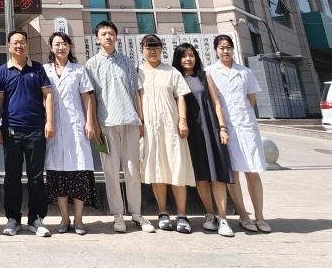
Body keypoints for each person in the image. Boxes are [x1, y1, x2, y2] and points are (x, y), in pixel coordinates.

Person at [84, 21, 155, 233]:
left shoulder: (127, 61)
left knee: (133, 171)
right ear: (97, 39)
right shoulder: (91, 64)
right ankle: (117, 215)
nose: (108, 36)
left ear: (116, 37)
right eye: (103, 33)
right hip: (105, 124)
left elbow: (136, 92)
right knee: (111, 171)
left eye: (111, 33)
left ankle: (137, 214)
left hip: (130, 121)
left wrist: (140, 120)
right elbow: (91, 98)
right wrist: (94, 124)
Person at [207, 34, 272, 233]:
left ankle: (259, 216)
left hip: (246, 126)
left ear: (233, 49)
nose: (225, 51)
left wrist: (244, 116)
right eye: (221, 48)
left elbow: (251, 99)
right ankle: (243, 215)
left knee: (252, 171)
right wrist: (223, 126)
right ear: (216, 50)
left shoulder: (245, 72)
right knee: (233, 173)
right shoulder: (210, 72)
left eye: (228, 47)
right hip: (226, 128)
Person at [172, 43, 235, 237]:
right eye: (184, 56)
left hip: (211, 129)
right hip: (191, 133)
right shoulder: (176, 78)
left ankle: (223, 218)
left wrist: (222, 128)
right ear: (178, 59)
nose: (188, 59)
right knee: (201, 177)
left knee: (217, 175)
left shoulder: (205, 76)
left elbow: (216, 103)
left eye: (191, 55)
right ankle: (209, 214)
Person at [0, 30, 54, 237]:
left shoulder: (37, 69)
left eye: (22, 42)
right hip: (11, 131)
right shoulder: (2, 71)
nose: (19, 46)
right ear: (9, 46)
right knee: (12, 177)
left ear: (26, 45)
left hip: (36, 130)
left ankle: (36, 219)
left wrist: (50, 122)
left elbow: (48, 95)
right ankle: (13, 219)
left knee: (36, 177)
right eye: (15, 43)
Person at [138, 34, 195, 233]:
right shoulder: (138, 72)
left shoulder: (171, 71)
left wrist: (182, 120)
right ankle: (162, 212)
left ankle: (182, 215)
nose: (152, 50)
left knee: (177, 167)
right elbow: (137, 98)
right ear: (142, 49)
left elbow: (180, 97)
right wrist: (140, 123)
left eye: (156, 47)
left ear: (161, 49)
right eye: (148, 47)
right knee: (157, 170)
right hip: (150, 129)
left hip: (172, 128)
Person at [42, 32, 98, 235]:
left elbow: (87, 98)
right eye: (57, 44)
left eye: (64, 43)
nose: (61, 47)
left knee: (79, 171)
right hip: (54, 127)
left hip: (76, 126)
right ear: (51, 47)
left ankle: (79, 219)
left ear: (69, 47)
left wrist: (90, 122)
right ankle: (65, 218)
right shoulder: (45, 70)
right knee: (58, 173)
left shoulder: (78, 70)